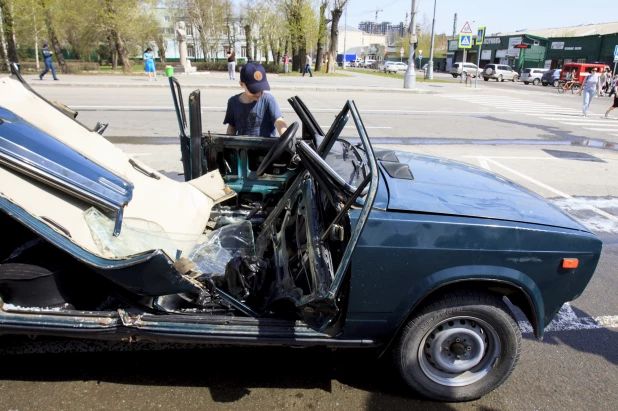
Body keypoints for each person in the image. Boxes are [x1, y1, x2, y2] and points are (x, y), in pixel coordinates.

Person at [224, 62, 287, 138]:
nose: (258, 93)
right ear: (242, 85)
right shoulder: (233, 102)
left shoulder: (268, 100)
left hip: (268, 148)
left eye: (261, 89)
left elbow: (280, 123)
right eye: (254, 90)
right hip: (243, 147)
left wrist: (286, 138)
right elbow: (231, 128)